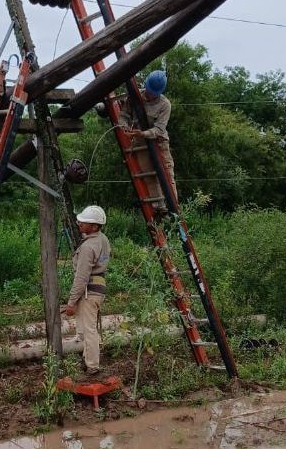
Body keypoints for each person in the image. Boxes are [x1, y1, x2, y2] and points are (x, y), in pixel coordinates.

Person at [118, 69, 178, 213]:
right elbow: (124, 114)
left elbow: (159, 129)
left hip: (159, 142)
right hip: (140, 143)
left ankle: (174, 210)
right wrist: (124, 127)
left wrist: (143, 133)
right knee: (149, 175)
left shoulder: (165, 105)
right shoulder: (134, 96)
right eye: (149, 91)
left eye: (153, 93)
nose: (150, 95)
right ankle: (159, 208)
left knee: (167, 175)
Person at [62, 205, 111, 376]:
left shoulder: (88, 247)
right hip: (99, 288)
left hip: (89, 291)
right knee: (85, 328)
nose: (80, 223)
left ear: (94, 226)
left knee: (89, 329)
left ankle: (92, 366)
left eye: (84, 222)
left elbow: (81, 277)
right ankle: (88, 360)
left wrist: (71, 302)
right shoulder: (102, 239)